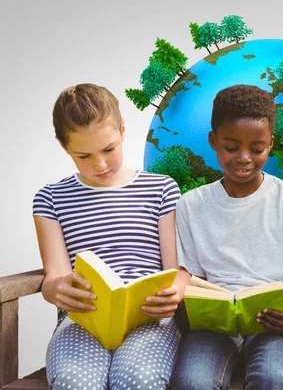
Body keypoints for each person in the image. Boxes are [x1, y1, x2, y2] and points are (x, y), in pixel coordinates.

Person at [33, 83, 188, 389]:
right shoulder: (50, 198)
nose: (100, 164)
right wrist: (55, 289)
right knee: (74, 381)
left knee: (139, 379)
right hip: (83, 319)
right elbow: (55, 276)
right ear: (64, 147)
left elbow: (177, 270)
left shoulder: (161, 189)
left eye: (108, 149)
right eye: (84, 155)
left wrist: (176, 293)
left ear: (122, 131)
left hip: (149, 318)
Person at [171, 84, 283, 390]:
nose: (244, 158)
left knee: (275, 379)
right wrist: (184, 305)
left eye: (257, 148)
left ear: (271, 144)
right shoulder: (191, 204)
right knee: (193, 382)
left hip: (276, 321)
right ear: (213, 140)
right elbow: (191, 279)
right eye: (231, 146)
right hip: (214, 325)